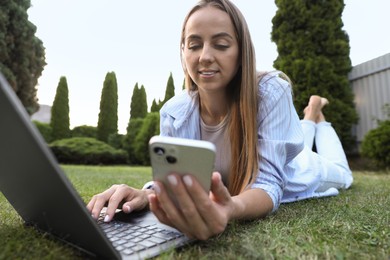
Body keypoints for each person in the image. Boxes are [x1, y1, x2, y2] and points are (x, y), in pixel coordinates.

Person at [87, 0, 353, 240]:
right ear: (184, 52)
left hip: (303, 169)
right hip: (287, 148)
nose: (204, 56)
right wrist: (146, 194)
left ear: (241, 53)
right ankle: (309, 116)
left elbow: (269, 184)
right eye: (194, 45)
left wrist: (230, 208)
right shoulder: (174, 112)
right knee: (300, 140)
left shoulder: (272, 90)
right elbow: (178, 181)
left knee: (343, 173)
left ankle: (316, 114)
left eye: (221, 44)